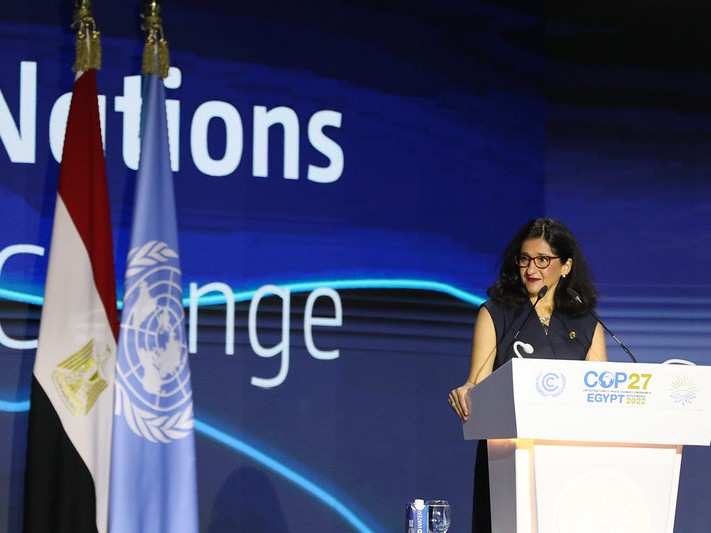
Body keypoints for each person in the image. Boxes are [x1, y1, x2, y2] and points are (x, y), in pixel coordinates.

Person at [447, 217, 607, 532]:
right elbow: (476, 383)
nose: (531, 269)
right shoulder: (496, 313)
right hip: (509, 457)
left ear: (565, 266)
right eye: (524, 259)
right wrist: (466, 392)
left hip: (570, 460)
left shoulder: (588, 324)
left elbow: (599, 395)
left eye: (543, 260)